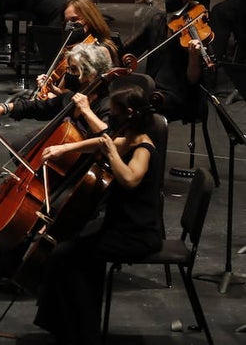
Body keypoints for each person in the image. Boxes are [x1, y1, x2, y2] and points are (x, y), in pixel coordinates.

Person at [32, 80, 164, 344]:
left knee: (68, 256)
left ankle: (81, 332)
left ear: (129, 114)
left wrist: (113, 154)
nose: (110, 118)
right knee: (65, 254)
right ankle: (67, 327)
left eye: (114, 114)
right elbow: (100, 142)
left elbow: (129, 179)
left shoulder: (144, 146)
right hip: (118, 227)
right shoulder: (128, 136)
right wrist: (64, 148)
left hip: (137, 234)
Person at [0, 41, 115, 284]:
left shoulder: (107, 105)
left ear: (91, 73)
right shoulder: (72, 98)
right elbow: (38, 106)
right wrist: (4, 107)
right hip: (56, 170)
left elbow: (108, 137)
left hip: (81, 176)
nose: (69, 76)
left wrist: (86, 112)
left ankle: (25, 270)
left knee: (39, 212)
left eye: (73, 71)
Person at [123, 0, 210, 122]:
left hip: (177, 94)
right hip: (151, 87)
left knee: (136, 111)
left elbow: (193, 80)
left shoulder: (197, 28)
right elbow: (130, 49)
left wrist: (193, 56)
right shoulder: (158, 20)